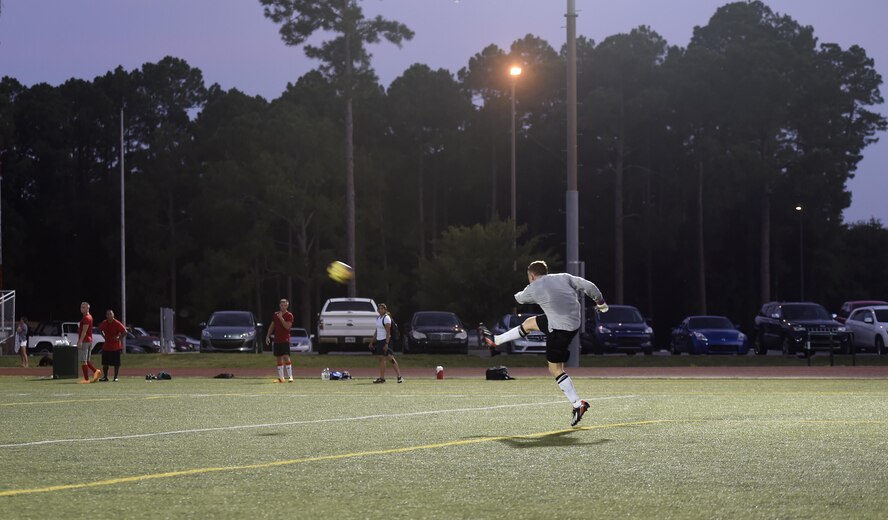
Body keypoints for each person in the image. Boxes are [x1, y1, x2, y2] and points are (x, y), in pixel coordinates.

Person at [479, 260, 608, 426]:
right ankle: (496, 340)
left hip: (560, 329)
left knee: (555, 369)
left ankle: (578, 405)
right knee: (530, 323)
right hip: (573, 322)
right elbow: (589, 286)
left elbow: (519, 299)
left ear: (532, 275)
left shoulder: (533, 286)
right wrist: (601, 303)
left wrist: (521, 292)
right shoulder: (564, 277)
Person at [369, 303, 402, 384]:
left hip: (386, 340)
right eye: (379, 309)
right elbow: (377, 331)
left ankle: (399, 377)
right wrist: (372, 342)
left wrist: (386, 343)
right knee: (381, 358)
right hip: (380, 340)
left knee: (390, 358)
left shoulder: (386, 318)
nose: (380, 310)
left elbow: (388, 332)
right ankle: (382, 378)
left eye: (382, 309)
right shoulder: (378, 318)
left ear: (385, 310)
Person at [265, 298, 294, 383]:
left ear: (287, 306)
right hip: (277, 339)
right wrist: (268, 336)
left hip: (285, 339)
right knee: (278, 358)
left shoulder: (289, 315)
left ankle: (290, 376)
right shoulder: (275, 314)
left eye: (285, 305)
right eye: (282, 305)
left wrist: (281, 318)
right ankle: (281, 378)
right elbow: (272, 325)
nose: (283, 307)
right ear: (279, 305)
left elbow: (287, 326)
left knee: (286, 356)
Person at [76, 302, 102, 384]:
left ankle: (86, 379)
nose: (81, 309)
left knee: (83, 360)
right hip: (89, 340)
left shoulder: (86, 318)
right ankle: (96, 371)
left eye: (83, 307)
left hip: (85, 341)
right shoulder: (89, 317)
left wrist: (80, 341)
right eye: (81, 307)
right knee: (86, 360)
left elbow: (84, 331)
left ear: (88, 308)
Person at [98, 309, 126, 381]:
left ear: (113, 315)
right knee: (105, 363)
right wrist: (104, 336)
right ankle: (105, 377)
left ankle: (115, 377)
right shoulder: (104, 322)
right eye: (108, 314)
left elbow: (125, 331)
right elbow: (100, 329)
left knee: (116, 363)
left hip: (115, 347)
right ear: (106, 315)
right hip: (106, 346)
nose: (109, 315)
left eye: (110, 314)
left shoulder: (117, 323)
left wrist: (119, 338)